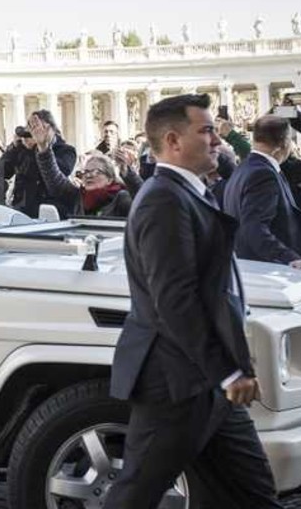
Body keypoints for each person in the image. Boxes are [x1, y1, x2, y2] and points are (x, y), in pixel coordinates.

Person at [105, 94, 282, 509]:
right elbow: (175, 301)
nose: (217, 140)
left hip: (208, 381)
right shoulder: (163, 199)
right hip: (176, 385)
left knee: (252, 494)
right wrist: (227, 372)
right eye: (205, 131)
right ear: (173, 140)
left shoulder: (187, 192)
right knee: (135, 495)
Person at [223, 115, 301, 272]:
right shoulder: (263, 174)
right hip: (273, 273)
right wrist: (291, 259)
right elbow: (254, 228)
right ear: (285, 142)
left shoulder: (242, 169)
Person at [2, 109, 77, 218]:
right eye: (31, 129)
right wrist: (14, 147)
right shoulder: (23, 151)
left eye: (37, 128)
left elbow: (57, 174)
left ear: (50, 128)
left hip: (51, 214)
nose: (33, 133)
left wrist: (41, 147)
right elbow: (3, 172)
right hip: (22, 212)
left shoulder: (67, 151)